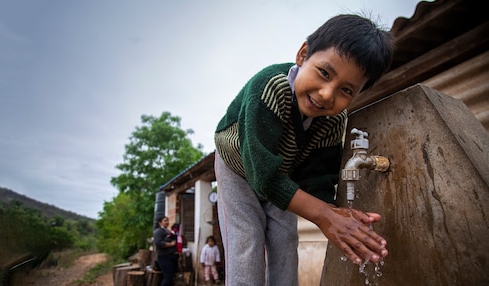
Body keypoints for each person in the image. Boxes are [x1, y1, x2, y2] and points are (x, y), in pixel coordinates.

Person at [213, 14, 394, 285]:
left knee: (285, 240)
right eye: (324, 73)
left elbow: (317, 180)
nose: (326, 94)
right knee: (247, 239)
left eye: (346, 90)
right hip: (238, 165)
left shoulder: (333, 121)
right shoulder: (270, 88)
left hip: (281, 174)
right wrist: (324, 215)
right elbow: (261, 173)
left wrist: (338, 214)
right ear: (303, 54)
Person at [153, 216, 178, 286]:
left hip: (171, 257)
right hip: (164, 257)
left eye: (167, 220)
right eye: (165, 221)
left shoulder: (167, 231)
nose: (167, 222)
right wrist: (171, 244)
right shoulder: (158, 231)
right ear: (160, 222)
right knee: (168, 277)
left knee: (170, 277)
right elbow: (158, 243)